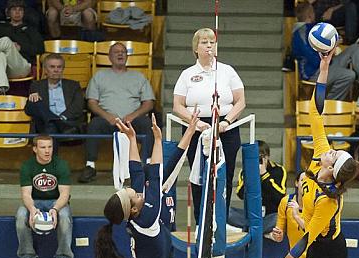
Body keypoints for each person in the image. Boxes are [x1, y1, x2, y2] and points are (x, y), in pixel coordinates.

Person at [266, 47, 359, 258]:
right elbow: (315, 111)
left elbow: (307, 237)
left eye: (335, 154)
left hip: (327, 252)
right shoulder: (320, 156)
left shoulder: (328, 200)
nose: (330, 149)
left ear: (334, 169)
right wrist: (324, 68)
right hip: (322, 247)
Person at [93, 113, 198, 258]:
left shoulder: (139, 210)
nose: (138, 192)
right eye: (134, 194)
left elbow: (137, 171)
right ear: (133, 209)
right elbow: (156, 173)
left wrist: (132, 140)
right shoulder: (147, 219)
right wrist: (158, 141)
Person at [173, 27, 246, 224]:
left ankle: (221, 220)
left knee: (225, 173)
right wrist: (195, 123)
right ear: (195, 48)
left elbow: (241, 101)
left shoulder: (227, 71)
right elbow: (177, 106)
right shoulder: (187, 74)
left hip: (225, 127)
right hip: (197, 128)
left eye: (212, 42)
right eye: (204, 42)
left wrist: (226, 122)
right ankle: (201, 221)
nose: (209, 46)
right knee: (199, 175)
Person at [78, 42, 155, 183]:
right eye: (116, 52)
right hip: (107, 119)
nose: (120, 54)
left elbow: (149, 103)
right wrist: (108, 116)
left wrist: (133, 115)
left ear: (127, 56)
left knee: (147, 124)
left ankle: (147, 164)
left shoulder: (138, 77)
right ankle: (90, 166)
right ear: (109, 57)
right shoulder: (99, 76)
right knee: (94, 125)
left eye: (123, 52)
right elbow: (91, 103)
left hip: (133, 119)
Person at [15, 135, 73, 258]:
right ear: (35, 149)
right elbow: (26, 195)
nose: (47, 151)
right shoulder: (27, 166)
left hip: (56, 201)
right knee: (21, 215)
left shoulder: (61, 165)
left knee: (65, 217)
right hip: (35, 201)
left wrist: (55, 209)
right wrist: (32, 209)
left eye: (50, 147)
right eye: (43, 147)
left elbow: (65, 194)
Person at [292, 2, 359, 100]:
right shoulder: (300, 32)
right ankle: (330, 103)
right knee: (349, 75)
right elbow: (311, 56)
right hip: (315, 73)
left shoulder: (313, 27)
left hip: (327, 65)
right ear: (310, 15)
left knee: (355, 48)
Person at [0, 0, 44, 94]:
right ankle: (0, 87)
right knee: (1, 54)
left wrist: (21, 48)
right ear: (8, 12)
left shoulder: (31, 30)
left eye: (20, 10)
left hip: (20, 67)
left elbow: (40, 49)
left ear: (24, 13)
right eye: (14, 9)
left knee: (6, 41)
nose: (17, 12)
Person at [228, 140, 287, 238]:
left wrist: (264, 175)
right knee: (227, 213)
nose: (257, 160)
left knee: (279, 218)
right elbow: (240, 194)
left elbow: (280, 196)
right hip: (249, 216)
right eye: (255, 157)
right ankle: (258, 231)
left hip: (270, 215)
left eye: (260, 157)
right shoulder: (245, 171)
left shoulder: (278, 170)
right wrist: (250, 175)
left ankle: (248, 230)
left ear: (267, 156)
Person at [25, 53, 85, 135]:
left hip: (67, 123)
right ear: (45, 69)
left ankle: (54, 122)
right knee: (36, 103)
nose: (56, 70)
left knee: (51, 128)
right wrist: (32, 100)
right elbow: (29, 110)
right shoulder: (36, 86)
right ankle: (53, 121)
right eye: (52, 67)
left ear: (63, 69)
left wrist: (62, 118)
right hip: (44, 125)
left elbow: (78, 107)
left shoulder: (73, 85)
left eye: (59, 67)